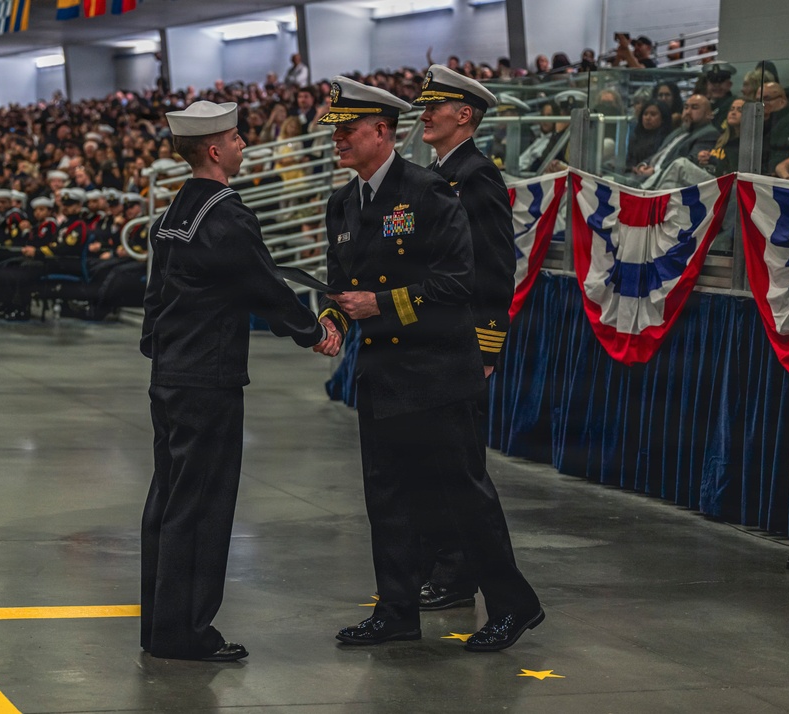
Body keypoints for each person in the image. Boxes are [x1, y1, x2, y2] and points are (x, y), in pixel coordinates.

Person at [315, 76, 543, 652]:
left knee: (465, 495)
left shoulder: (430, 191)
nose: (338, 140)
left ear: (381, 132)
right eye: (336, 131)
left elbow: (461, 281)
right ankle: (395, 609)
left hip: (437, 371)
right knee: (387, 497)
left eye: (348, 131)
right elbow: (341, 285)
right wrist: (334, 323)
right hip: (381, 374)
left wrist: (380, 305)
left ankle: (514, 605)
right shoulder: (342, 203)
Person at [139, 100, 339, 662]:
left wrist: (157, 349)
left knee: (168, 497)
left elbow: (157, 296)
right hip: (208, 376)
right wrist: (312, 329)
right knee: (202, 505)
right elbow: (264, 285)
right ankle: (188, 633)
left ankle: (160, 625)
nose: (243, 144)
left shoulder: (174, 211)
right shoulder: (228, 214)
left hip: (171, 374)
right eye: (235, 138)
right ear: (214, 150)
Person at [413, 65, 517, 613]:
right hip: (434, 342)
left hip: (463, 343)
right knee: (432, 461)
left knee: (457, 464)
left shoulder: (476, 176)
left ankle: (459, 574)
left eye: (436, 107)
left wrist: (487, 344)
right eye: (423, 105)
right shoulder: (437, 174)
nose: (424, 114)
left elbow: (497, 268)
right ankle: (440, 565)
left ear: (466, 115)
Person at [626, 99, 673, 170]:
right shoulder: (635, 136)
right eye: (645, 114)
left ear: (663, 118)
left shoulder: (667, 139)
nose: (648, 118)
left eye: (653, 114)